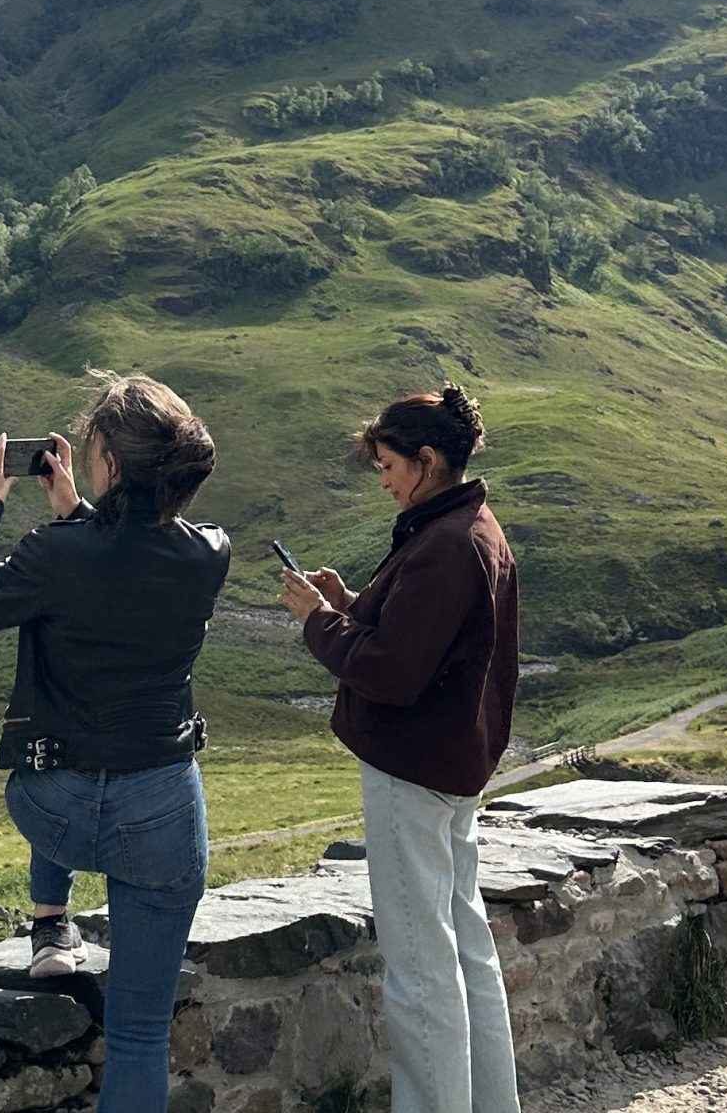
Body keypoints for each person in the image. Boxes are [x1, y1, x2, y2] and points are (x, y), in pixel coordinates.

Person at [0, 370, 229, 1113]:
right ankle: (52, 930)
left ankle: (49, 922)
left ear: (111, 466)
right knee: (137, 1036)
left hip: (54, 807)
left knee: (58, 736)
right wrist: (80, 511)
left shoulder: (55, 555)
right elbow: (127, 559)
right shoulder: (209, 553)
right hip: (162, 812)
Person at [280, 384, 521, 1113]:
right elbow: (422, 639)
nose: (381, 479)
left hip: (411, 769)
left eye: (387, 465)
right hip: (454, 764)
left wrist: (319, 623)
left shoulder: (444, 545)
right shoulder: (470, 528)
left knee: (419, 963)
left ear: (426, 460)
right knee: (466, 948)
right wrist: (354, 605)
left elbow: (390, 672)